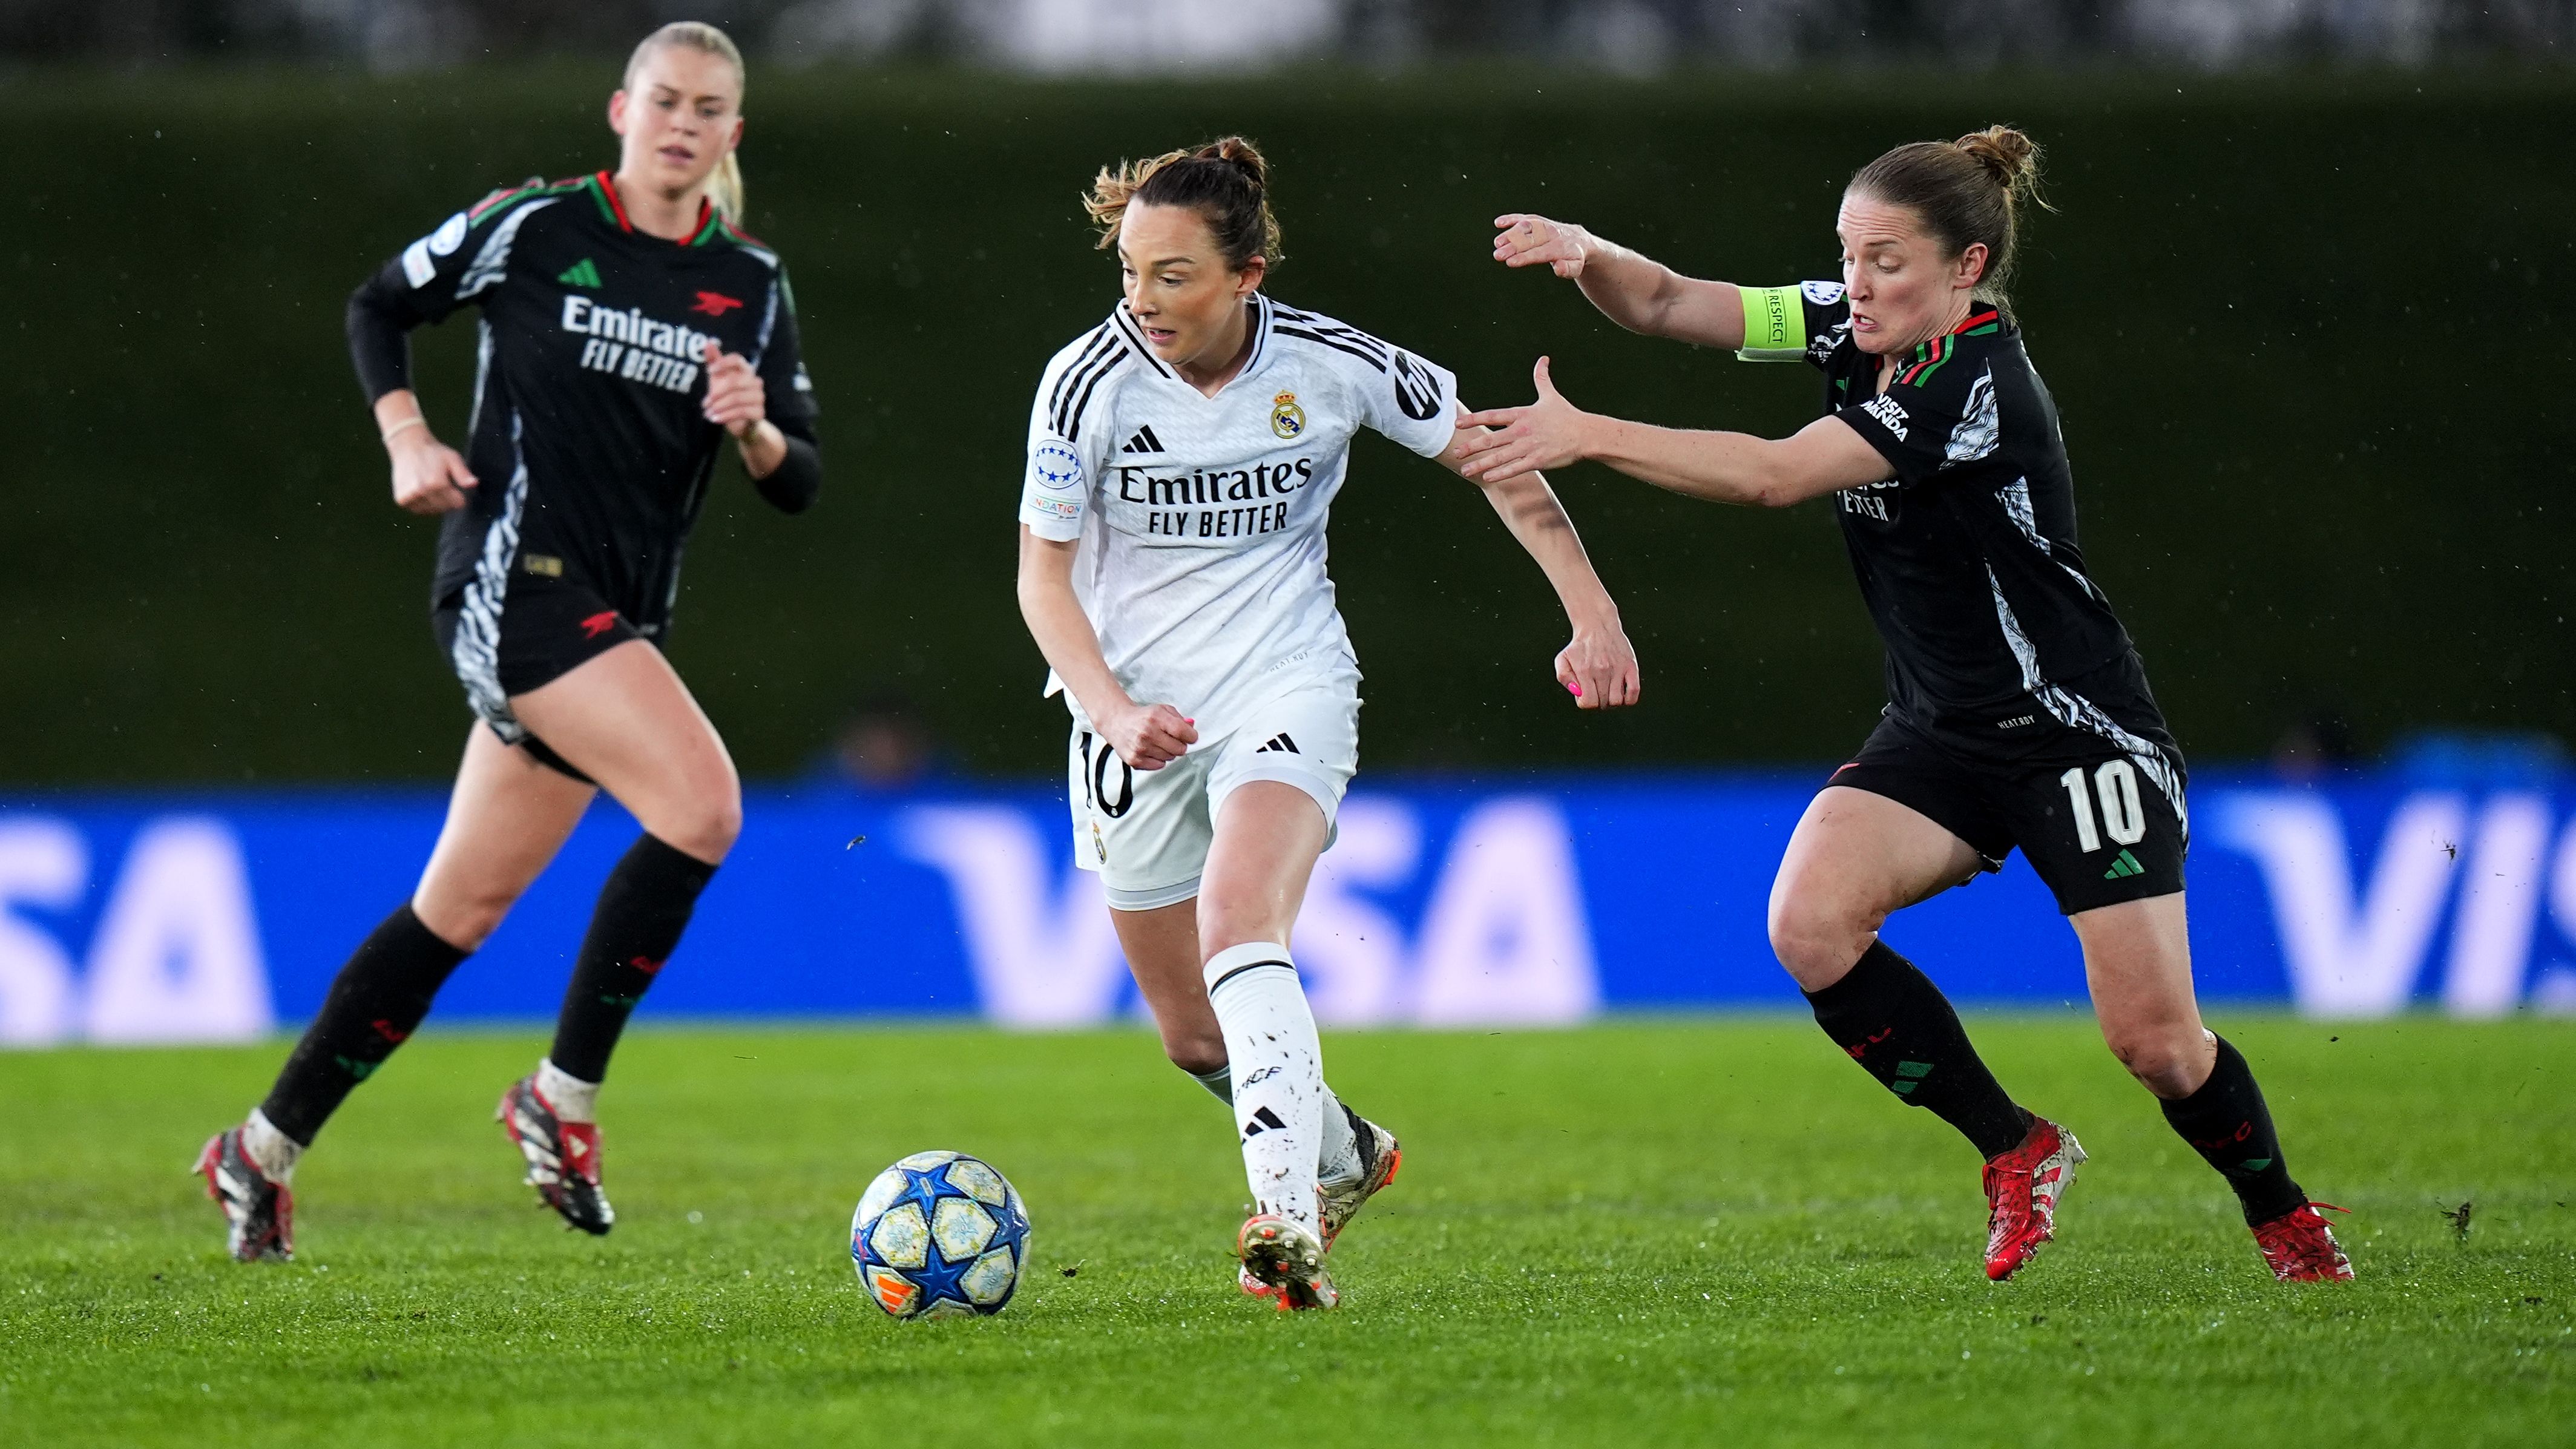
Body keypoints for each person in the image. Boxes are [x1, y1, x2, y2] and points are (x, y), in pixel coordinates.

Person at [1463, 126, 2351, 1283]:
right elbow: (1674, 302)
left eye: (1886, 259)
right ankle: (2017, 1146)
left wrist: (1585, 435)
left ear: (1967, 269)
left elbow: (1776, 474)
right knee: (1809, 925)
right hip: (1941, 731)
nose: (1857, 281)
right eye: (1848, 253)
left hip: (2074, 735)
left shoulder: (1977, 386)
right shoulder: (1846, 320)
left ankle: (2281, 1212)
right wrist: (1588, 253)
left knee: (2157, 1043)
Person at [197, 21, 821, 1261]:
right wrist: (405, 436)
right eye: (663, 100)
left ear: (731, 135)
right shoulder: (536, 228)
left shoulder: (750, 285)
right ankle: (563, 1096)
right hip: (513, 586)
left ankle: (256, 1151)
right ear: (620, 109)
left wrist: (754, 434)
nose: (682, 123)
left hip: (616, 616)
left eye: (707, 108)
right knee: (702, 808)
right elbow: (380, 302)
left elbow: (798, 478)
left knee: (457, 912)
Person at [1016, 137, 1640, 1309]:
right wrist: (1109, 709)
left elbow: (1500, 463)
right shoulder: (1082, 382)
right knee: (1191, 1040)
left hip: (1284, 681)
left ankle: (1285, 1220)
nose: (1143, 303)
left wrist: (1592, 618)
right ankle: (1348, 1158)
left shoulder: (1334, 365)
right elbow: (1040, 581)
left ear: (1246, 273)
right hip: (1132, 715)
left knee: (1239, 914)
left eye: (1173, 277)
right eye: (1130, 274)